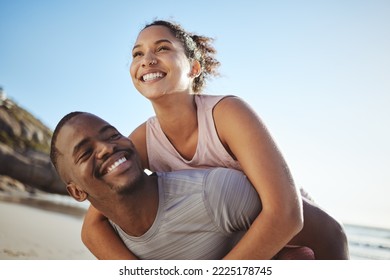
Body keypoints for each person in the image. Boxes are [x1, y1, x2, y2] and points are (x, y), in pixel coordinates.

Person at [82, 20, 349, 260]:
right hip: (239, 244)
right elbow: (92, 227)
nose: (147, 59)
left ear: (194, 68)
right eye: (137, 53)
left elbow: (287, 215)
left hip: (311, 241)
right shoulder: (143, 140)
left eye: (162, 48)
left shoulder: (227, 114)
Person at [50, 111, 312, 259]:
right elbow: (91, 228)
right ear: (76, 191)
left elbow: (311, 234)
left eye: (114, 135)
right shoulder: (107, 238)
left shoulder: (217, 194)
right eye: (85, 153)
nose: (108, 147)